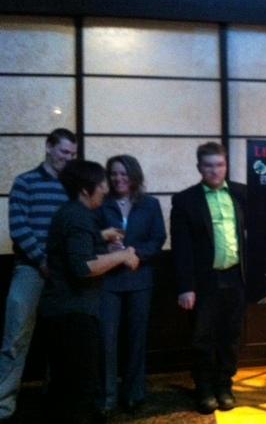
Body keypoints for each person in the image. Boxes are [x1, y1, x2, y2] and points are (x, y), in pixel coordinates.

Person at [41, 159, 140, 423]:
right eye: (102, 183)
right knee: (78, 388)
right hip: (72, 314)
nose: (106, 189)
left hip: (67, 311)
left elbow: (79, 253)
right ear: (85, 190)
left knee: (67, 385)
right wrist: (122, 256)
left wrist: (102, 239)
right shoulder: (78, 217)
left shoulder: (74, 213)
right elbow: (84, 267)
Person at [0, 128, 77, 421]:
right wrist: (42, 259)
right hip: (30, 268)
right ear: (48, 147)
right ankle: (3, 404)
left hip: (64, 272)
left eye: (72, 154)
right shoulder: (25, 182)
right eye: (64, 151)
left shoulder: (72, 187)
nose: (68, 158)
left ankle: (55, 398)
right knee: (15, 337)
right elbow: (19, 227)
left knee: (62, 338)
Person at [170, 142, 246, 414]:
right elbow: (181, 248)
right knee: (202, 337)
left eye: (220, 165)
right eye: (209, 165)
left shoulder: (241, 193)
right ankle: (203, 388)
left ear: (226, 165)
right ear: (199, 167)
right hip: (204, 281)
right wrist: (185, 287)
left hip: (236, 276)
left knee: (231, 335)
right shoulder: (185, 200)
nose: (215, 170)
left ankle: (224, 386)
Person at [97, 155, 166, 415]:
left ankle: (134, 393)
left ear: (134, 176)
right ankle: (107, 396)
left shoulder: (150, 204)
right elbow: (91, 237)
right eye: (114, 174)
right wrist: (107, 247)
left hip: (140, 277)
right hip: (107, 280)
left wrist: (136, 253)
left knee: (137, 338)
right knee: (107, 340)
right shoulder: (100, 203)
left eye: (124, 174)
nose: (119, 178)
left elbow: (158, 238)